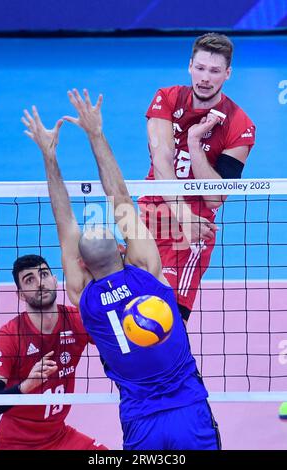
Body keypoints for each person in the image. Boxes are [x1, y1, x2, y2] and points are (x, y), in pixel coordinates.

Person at [21, 89, 221, 450]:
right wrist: (96, 133)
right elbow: (120, 199)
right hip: (189, 411)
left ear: (81, 264)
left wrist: (49, 155)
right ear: (121, 248)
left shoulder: (84, 296)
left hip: (140, 421)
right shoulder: (146, 270)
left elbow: (64, 222)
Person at [138, 33, 256, 322]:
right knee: (131, 313)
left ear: (227, 74)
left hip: (190, 235)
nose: (205, 77)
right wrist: (181, 213)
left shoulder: (239, 124)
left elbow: (215, 198)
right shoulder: (166, 98)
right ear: (190, 66)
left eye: (215, 71)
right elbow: (162, 161)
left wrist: (193, 143)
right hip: (147, 218)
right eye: (200, 68)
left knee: (168, 321)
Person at [0, 254, 107, 450]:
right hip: (12, 442)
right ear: (20, 294)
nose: (40, 283)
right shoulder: (8, 337)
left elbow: (115, 348)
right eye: (29, 279)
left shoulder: (77, 320)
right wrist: (26, 386)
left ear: (54, 279)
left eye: (43, 274)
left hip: (57, 436)